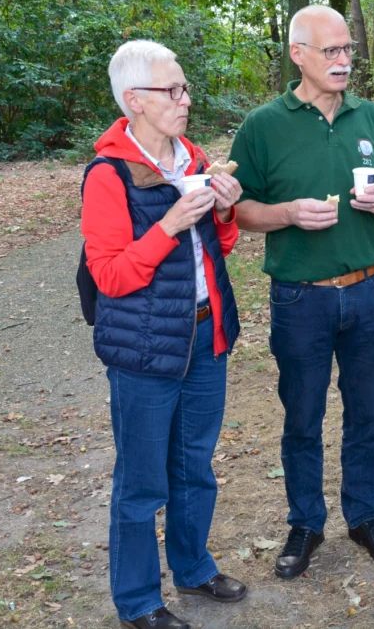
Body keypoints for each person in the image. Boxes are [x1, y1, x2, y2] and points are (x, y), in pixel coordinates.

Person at [229, 5, 374, 579]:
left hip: (367, 292)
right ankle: (305, 522)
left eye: (347, 50)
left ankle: (365, 517)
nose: (342, 61)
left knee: (368, 414)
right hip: (299, 298)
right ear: (297, 54)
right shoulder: (263, 125)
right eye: (330, 50)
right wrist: (285, 212)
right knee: (302, 417)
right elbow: (238, 209)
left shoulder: (372, 118)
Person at [81, 40, 246, 629]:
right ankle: (138, 601)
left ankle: (194, 568)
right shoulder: (108, 174)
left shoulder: (193, 157)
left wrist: (223, 214)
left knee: (194, 466)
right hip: (145, 349)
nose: (185, 99)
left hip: (205, 338)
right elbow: (110, 276)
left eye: (185, 88)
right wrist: (171, 224)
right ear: (134, 101)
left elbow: (217, 251)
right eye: (171, 91)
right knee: (142, 482)